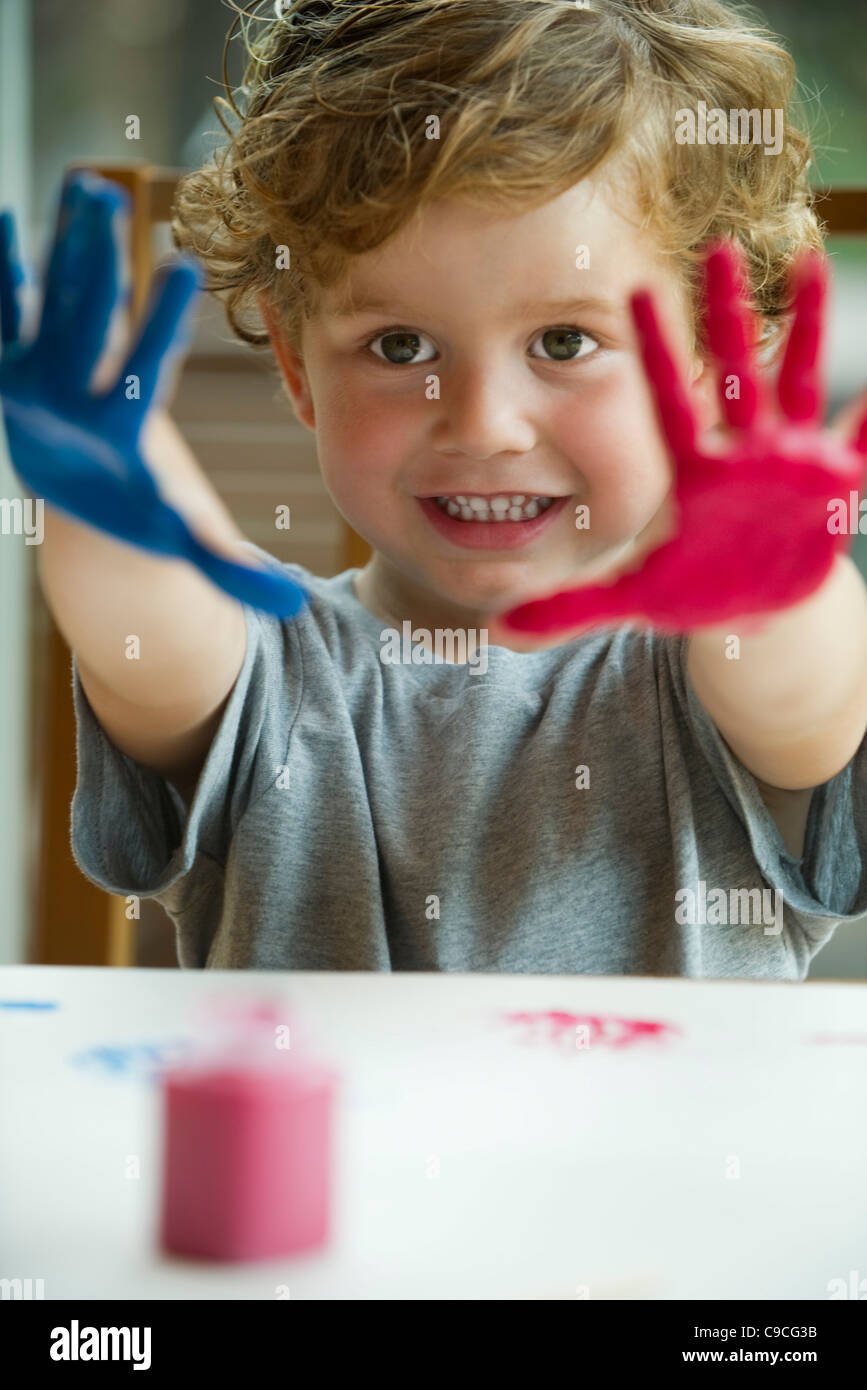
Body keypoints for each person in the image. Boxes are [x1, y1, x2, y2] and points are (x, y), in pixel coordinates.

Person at [4, 0, 866, 973]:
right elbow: (156, 621)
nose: (484, 424)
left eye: (565, 342)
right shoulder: (267, 677)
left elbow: (801, 693)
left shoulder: (721, 676)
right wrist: (102, 512)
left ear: (710, 360)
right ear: (298, 370)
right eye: (399, 346)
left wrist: (772, 587)